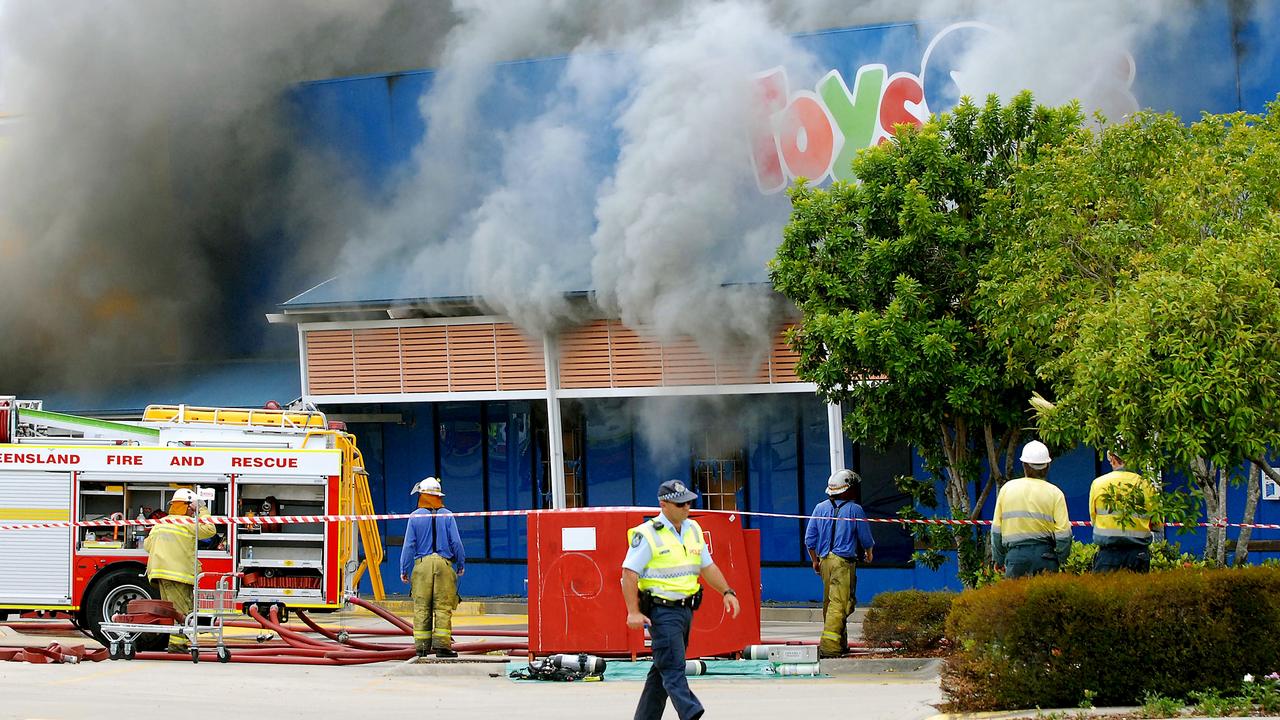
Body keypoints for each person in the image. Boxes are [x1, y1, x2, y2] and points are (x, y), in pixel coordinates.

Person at [622, 480, 740, 720]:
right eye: (680, 503)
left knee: (662, 667)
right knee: (674, 668)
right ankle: (692, 713)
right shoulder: (648, 534)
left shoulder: (693, 529)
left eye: (688, 502)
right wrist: (633, 612)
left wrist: (727, 592)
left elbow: (707, 567)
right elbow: (628, 573)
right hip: (661, 612)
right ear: (663, 505)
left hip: (686, 610)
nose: (686, 507)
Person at [804, 469, 875, 659]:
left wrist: (815, 561)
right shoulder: (855, 509)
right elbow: (865, 537)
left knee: (830, 602)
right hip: (843, 563)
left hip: (825, 560)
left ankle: (840, 644)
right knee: (840, 604)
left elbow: (809, 539)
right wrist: (869, 553)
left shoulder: (820, 508)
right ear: (846, 490)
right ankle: (830, 648)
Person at [142, 487, 216, 652]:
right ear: (189, 506)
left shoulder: (161, 522)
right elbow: (210, 530)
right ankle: (177, 645)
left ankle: (177, 642)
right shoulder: (187, 523)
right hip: (178, 575)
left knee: (172, 611)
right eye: (192, 508)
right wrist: (202, 509)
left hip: (159, 574)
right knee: (181, 611)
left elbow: (147, 546)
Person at [399, 477, 465, 658]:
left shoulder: (414, 517)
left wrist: (403, 569)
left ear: (422, 495)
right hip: (444, 564)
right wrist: (460, 563)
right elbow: (456, 543)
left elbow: (408, 546)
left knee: (421, 608)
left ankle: (421, 648)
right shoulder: (448, 515)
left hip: (422, 566)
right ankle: (443, 648)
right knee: (443, 608)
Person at [991, 440, 1072, 578]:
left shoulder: (1007, 489)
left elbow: (996, 531)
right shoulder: (1055, 493)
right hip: (1046, 557)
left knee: (1016, 599)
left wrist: (999, 560)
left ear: (1024, 465)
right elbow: (1064, 535)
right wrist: (1060, 560)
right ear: (1047, 467)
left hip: (1015, 558)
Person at [1090, 449, 1161, 572]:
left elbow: (1093, 518)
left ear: (1112, 459)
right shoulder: (1146, 485)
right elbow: (1157, 524)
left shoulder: (1098, 484)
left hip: (1108, 555)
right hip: (1138, 554)